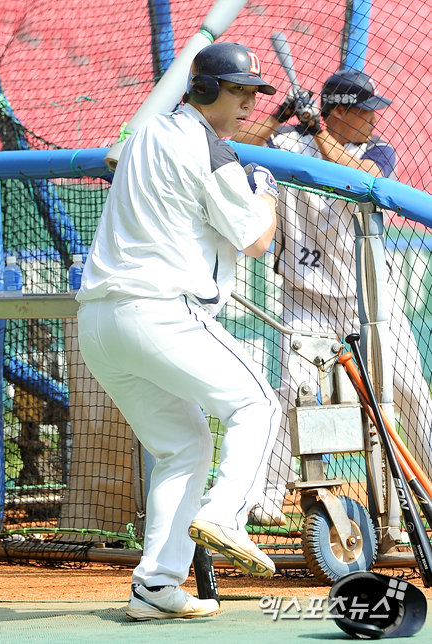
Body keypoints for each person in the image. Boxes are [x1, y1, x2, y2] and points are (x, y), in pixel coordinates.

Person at [76, 41, 282, 622]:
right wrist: (265, 189)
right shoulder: (211, 151)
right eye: (239, 91)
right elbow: (257, 240)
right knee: (258, 405)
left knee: (184, 446)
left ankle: (155, 587)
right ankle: (226, 514)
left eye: (254, 93)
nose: (249, 104)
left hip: (99, 325)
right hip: (159, 312)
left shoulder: (145, 132)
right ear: (207, 89)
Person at [235, 69, 432, 527]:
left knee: (411, 394)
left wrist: (318, 130)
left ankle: (429, 484)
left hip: (370, 301)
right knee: (293, 392)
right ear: (340, 111)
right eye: (365, 111)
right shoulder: (286, 143)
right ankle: (267, 496)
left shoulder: (377, 151)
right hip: (305, 300)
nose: (374, 119)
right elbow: (236, 145)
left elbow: (361, 176)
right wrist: (283, 114)